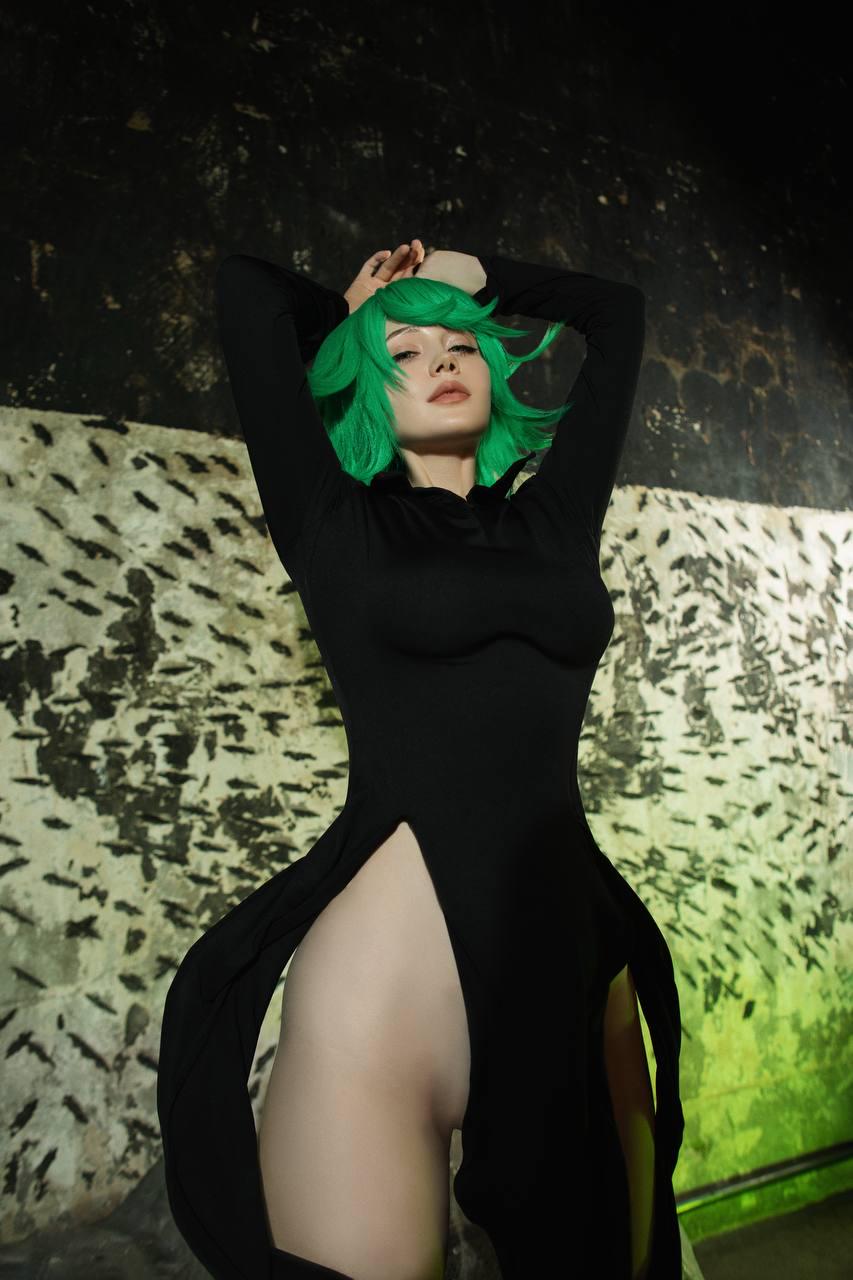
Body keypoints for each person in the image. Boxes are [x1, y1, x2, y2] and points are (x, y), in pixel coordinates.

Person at [156, 239, 686, 1280]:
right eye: (403, 350)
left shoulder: (552, 519)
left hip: (575, 974)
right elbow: (244, 292)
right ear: (365, 379)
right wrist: (349, 309)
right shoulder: (333, 520)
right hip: (386, 995)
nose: (440, 357)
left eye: (460, 345)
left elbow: (616, 315)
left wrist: (472, 275)